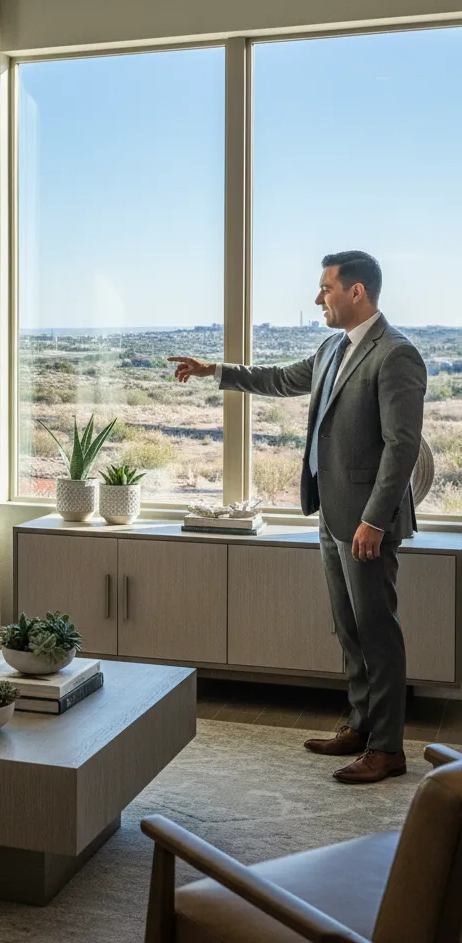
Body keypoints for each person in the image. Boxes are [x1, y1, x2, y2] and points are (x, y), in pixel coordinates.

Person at [170, 251, 426, 784]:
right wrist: (214, 370)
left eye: (325, 289)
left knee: (377, 631)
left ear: (356, 292)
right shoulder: (333, 347)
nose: (318, 300)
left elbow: (401, 449)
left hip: (366, 525)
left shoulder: (396, 354)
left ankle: (388, 748)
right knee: (348, 627)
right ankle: (360, 726)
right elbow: (281, 379)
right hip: (332, 514)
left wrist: (375, 521)